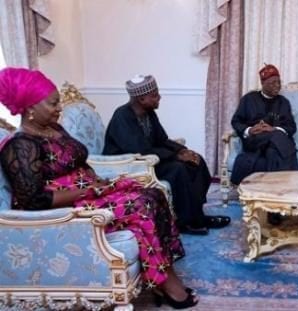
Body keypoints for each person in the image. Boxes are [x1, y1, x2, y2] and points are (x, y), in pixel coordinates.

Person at [0, 68, 197, 308]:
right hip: (69, 208)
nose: (59, 108)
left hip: (89, 192)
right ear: (30, 108)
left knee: (153, 193)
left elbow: (78, 161)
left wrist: (96, 183)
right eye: (52, 104)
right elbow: (35, 200)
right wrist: (88, 191)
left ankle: (164, 273)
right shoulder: (21, 145)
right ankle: (165, 283)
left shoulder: (53, 129)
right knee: (142, 204)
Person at [103, 75, 229, 236]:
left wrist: (182, 150)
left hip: (149, 160)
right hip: (129, 166)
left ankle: (197, 215)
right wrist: (176, 157)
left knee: (197, 161)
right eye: (155, 95)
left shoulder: (148, 113)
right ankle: (185, 223)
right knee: (178, 169)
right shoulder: (122, 116)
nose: (159, 97)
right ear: (142, 98)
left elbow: (162, 140)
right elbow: (139, 149)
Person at [230, 64, 298, 184]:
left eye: (279, 82)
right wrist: (250, 130)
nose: (277, 86)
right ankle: (295, 178)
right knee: (278, 137)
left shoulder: (283, 102)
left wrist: (274, 129)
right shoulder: (248, 99)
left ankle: (271, 189)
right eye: (272, 83)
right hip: (255, 140)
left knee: (272, 150)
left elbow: (291, 127)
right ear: (263, 84)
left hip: (275, 145)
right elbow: (236, 121)